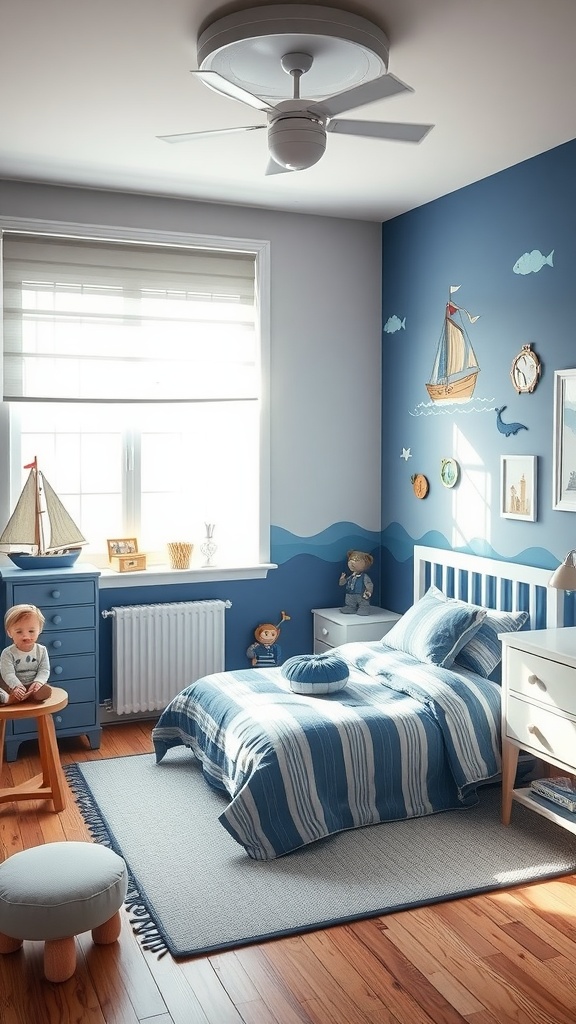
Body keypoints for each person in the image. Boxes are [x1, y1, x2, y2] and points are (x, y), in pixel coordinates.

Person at [0, 604, 52, 704]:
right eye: (19, 632)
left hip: (33, 685)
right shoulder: (7, 653)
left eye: (31, 631)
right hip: (13, 687)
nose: (26, 636)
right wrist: (16, 686)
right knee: (5, 689)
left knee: (45, 690)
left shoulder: (41, 650)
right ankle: (9, 698)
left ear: (39, 630)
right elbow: (8, 673)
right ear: (10, 633)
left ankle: (33, 695)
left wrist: (38, 682)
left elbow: (44, 669)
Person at [339, 550, 374, 615]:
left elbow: (369, 584)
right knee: (350, 602)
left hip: (360, 594)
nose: (352, 562)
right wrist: (342, 579)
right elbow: (342, 584)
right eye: (351, 559)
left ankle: (364, 608)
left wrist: (368, 591)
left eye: (356, 560)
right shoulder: (350, 576)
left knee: (363, 603)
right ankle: (350, 607)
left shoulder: (364, 576)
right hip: (350, 594)